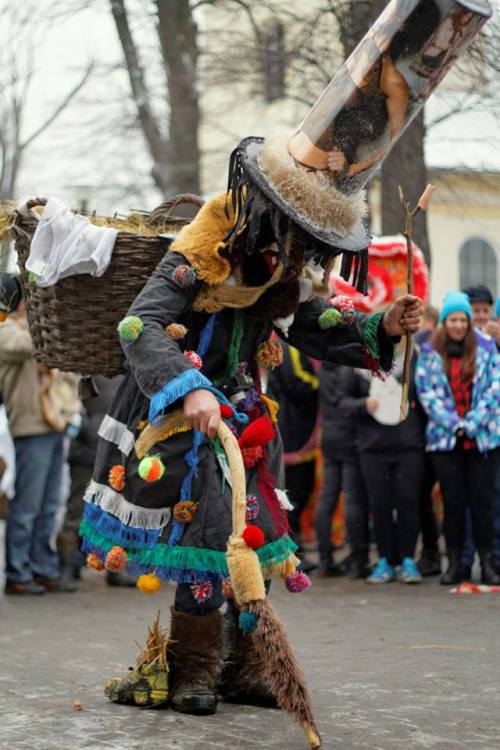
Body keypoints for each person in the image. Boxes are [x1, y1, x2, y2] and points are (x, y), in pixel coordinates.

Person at [79, 133, 423, 716]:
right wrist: (189, 390)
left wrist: (382, 325)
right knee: (208, 535)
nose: (310, 246)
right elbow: (140, 324)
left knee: (255, 535)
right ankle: (194, 669)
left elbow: (306, 320)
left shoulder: (282, 255)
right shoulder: (206, 240)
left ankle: (245, 667)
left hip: (243, 413)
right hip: (177, 413)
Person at [0, 274, 78, 594]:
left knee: (49, 504)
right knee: (28, 504)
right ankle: (17, 572)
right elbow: (27, 345)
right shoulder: (6, 329)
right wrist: (43, 316)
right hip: (30, 424)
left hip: (54, 423)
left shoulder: (27, 326)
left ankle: (43, 567)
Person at [416, 291, 500, 585]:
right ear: (444, 322)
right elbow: (428, 394)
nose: (458, 325)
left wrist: (473, 423)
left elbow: (494, 389)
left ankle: (487, 563)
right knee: (452, 505)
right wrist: (455, 424)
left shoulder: (488, 348)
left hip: (483, 439)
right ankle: (454, 564)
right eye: (453, 319)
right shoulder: (429, 353)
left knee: (483, 504)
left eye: (462, 320)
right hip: (445, 441)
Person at [337, 342, 426, 584]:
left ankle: (408, 560)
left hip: (409, 445)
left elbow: (427, 394)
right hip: (373, 448)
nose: (392, 340)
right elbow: (342, 402)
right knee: (380, 504)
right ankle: (385, 560)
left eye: (397, 336)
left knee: (408, 500)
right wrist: (363, 405)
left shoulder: (414, 359)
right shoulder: (358, 364)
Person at [267, 343, 319, 574]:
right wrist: (321, 384)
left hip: (297, 429)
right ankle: (291, 555)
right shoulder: (292, 346)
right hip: (294, 429)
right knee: (292, 497)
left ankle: (291, 552)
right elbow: (296, 382)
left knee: (296, 495)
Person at [316, 362, 370, 578]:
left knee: (327, 499)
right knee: (353, 499)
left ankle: (325, 558)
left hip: (329, 435)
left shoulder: (323, 367)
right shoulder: (348, 368)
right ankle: (358, 559)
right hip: (349, 435)